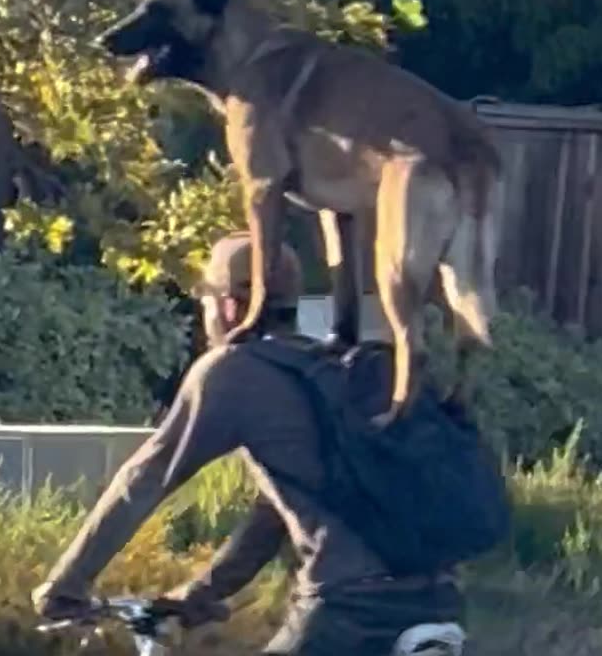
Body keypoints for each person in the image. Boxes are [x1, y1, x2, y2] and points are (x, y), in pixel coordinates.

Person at [30, 231, 464, 655]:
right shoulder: (327, 372)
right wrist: (200, 593)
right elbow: (271, 518)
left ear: (230, 306)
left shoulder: (234, 371)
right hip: (439, 598)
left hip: (352, 608)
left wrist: (67, 582)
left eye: (205, 301)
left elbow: (146, 478)